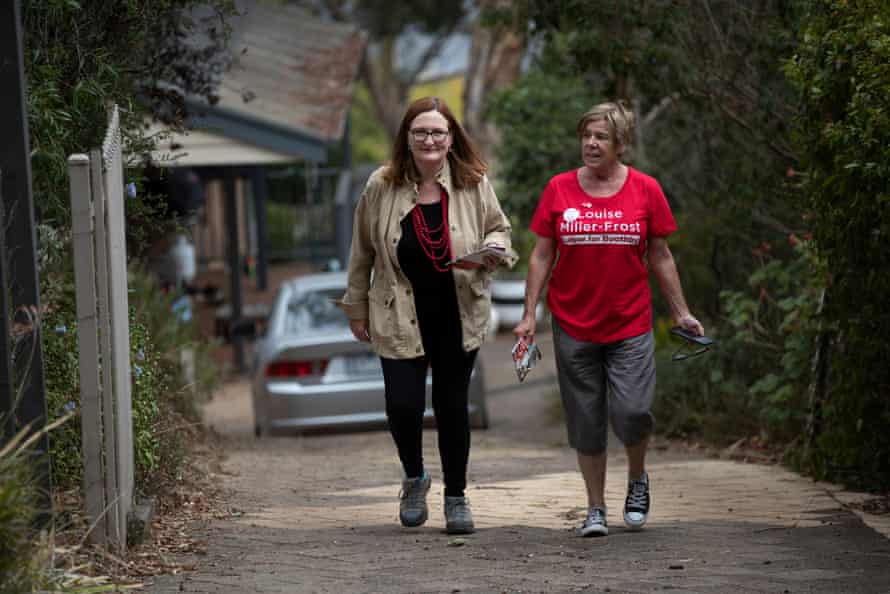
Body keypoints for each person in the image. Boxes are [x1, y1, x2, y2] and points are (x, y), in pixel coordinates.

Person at [513, 101, 704, 537]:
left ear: (621, 144)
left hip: (629, 322)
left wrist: (681, 312)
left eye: (600, 137)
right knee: (586, 419)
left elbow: (660, 254)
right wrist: (529, 314)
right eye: (586, 136)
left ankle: (637, 478)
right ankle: (595, 507)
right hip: (573, 322)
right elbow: (542, 253)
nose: (590, 143)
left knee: (632, 411)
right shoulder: (559, 189)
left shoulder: (645, 189)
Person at [339, 96, 515, 534]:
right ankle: (415, 476)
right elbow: (361, 251)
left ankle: (456, 497)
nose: (430, 139)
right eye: (421, 132)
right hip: (398, 309)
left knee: (453, 408)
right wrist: (355, 305)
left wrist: (493, 247)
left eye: (438, 132)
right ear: (407, 138)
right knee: (403, 406)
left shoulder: (473, 182)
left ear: (452, 137)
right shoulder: (382, 184)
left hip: (457, 311)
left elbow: (499, 227)